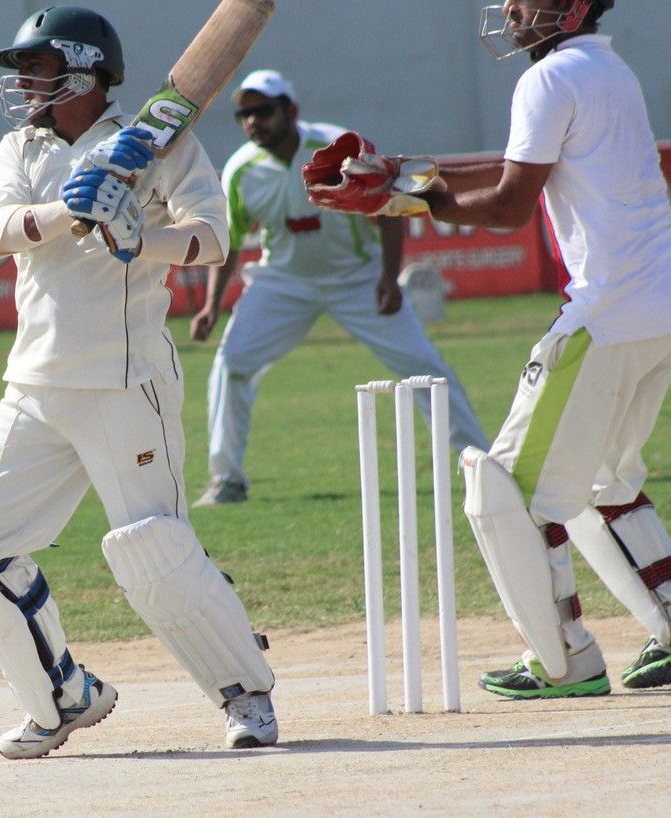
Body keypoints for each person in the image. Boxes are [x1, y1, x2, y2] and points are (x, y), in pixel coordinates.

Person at [303, 0, 671, 699]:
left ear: (574, 6)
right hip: (670, 308)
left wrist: (411, 199)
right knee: (602, 479)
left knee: (504, 489)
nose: (509, 9)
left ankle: (562, 657)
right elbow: (519, 169)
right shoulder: (607, 69)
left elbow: (507, 205)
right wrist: (407, 171)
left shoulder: (548, 79)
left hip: (607, 316)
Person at [0, 5, 278, 758]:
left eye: (36, 66)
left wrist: (141, 238)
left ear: (83, 71)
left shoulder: (160, 145)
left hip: (126, 381)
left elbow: (213, 239)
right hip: (35, 385)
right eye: (21, 68)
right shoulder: (20, 146)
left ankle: (245, 694)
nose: (22, 81)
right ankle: (61, 696)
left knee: (154, 549)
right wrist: (69, 207)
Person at [188, 69, 487, 507]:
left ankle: (480, 465)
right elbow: (231, 241)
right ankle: (226, 480)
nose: (253, 122)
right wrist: (211, 305)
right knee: (231, 364)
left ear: (290, 110)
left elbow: (389, 208)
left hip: (358, 278)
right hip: (284, 282)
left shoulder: (338, 148)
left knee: (423, 365)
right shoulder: (240, 169)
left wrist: (389, 278)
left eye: (263, 111)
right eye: (244, 115)